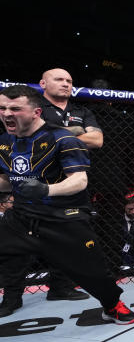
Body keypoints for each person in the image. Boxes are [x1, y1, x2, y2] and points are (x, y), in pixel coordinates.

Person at [0, 85, 134, 323]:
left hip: (63, 217)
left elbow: (79, 180)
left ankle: (112, 304)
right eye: (2, 108)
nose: (7, 113)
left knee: (92, 270)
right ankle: (11, 299)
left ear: (36, 112)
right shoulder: (5, 141)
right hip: (22, 216)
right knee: (8, 257)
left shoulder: (63, 139)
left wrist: (46, 189)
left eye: (15, 108)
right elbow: (6, 179)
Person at [3, 67, 103, 302]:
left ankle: (61, 288)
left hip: (70, 184)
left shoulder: (82, 110)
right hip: (30, 185)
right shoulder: (28, 108)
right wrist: (75, 132)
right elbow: (23, 136)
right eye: (59, 79)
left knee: (68, 244)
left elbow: (97, 140)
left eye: (69, 80)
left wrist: (52, 135)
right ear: (43, 84)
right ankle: (11, 296)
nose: (66, 84)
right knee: (17, 247)